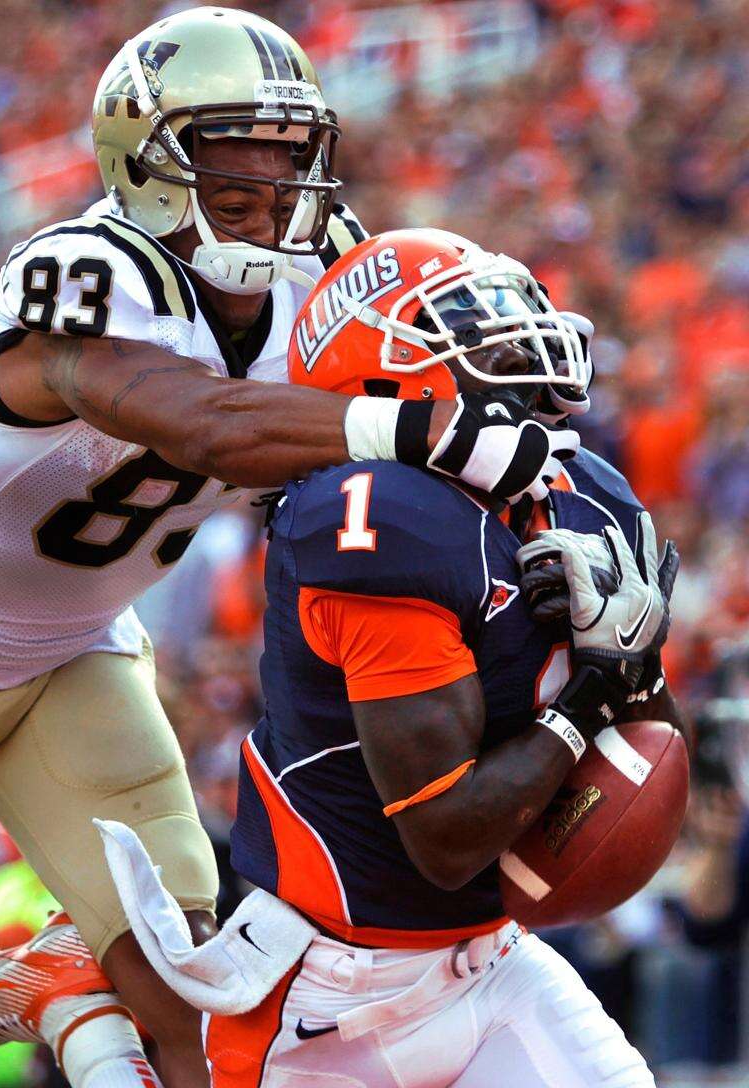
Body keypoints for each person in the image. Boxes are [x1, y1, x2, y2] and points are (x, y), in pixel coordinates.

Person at [0, 9, 581, 1088]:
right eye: (233, 152)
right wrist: (432, 431)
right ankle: (77, 1007)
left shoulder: (323, 272)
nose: (272, 183)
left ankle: (67, 997)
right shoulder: (86, 271)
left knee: (189, 998)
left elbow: (430, 402)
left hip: (65, 658)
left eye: (288, 155)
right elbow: (207, 424)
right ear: (144, 159)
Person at [196, 229, 685, 1086]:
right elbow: (446, 839)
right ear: (382, 373)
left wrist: (630, 661)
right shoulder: (376, 514)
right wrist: (592, 692)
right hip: (328, 998)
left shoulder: (584, 494)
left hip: (491, 961)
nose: (515, 340)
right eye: (467, 321)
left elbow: (650, 746)